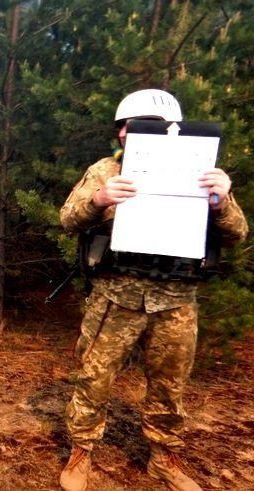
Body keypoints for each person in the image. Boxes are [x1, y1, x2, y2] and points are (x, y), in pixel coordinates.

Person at [58, 89, 248, 491]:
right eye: (123, 126)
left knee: (169, 387)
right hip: (115, 298)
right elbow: (68, 218)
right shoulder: (105, 171)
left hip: (175, 302)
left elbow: (237, 234)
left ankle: (163, 458)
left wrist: (221, 202)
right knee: (93, 379)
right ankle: (81, 452)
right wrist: (98, 199)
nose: (126, 134)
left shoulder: (203, 174)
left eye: (139, 126)